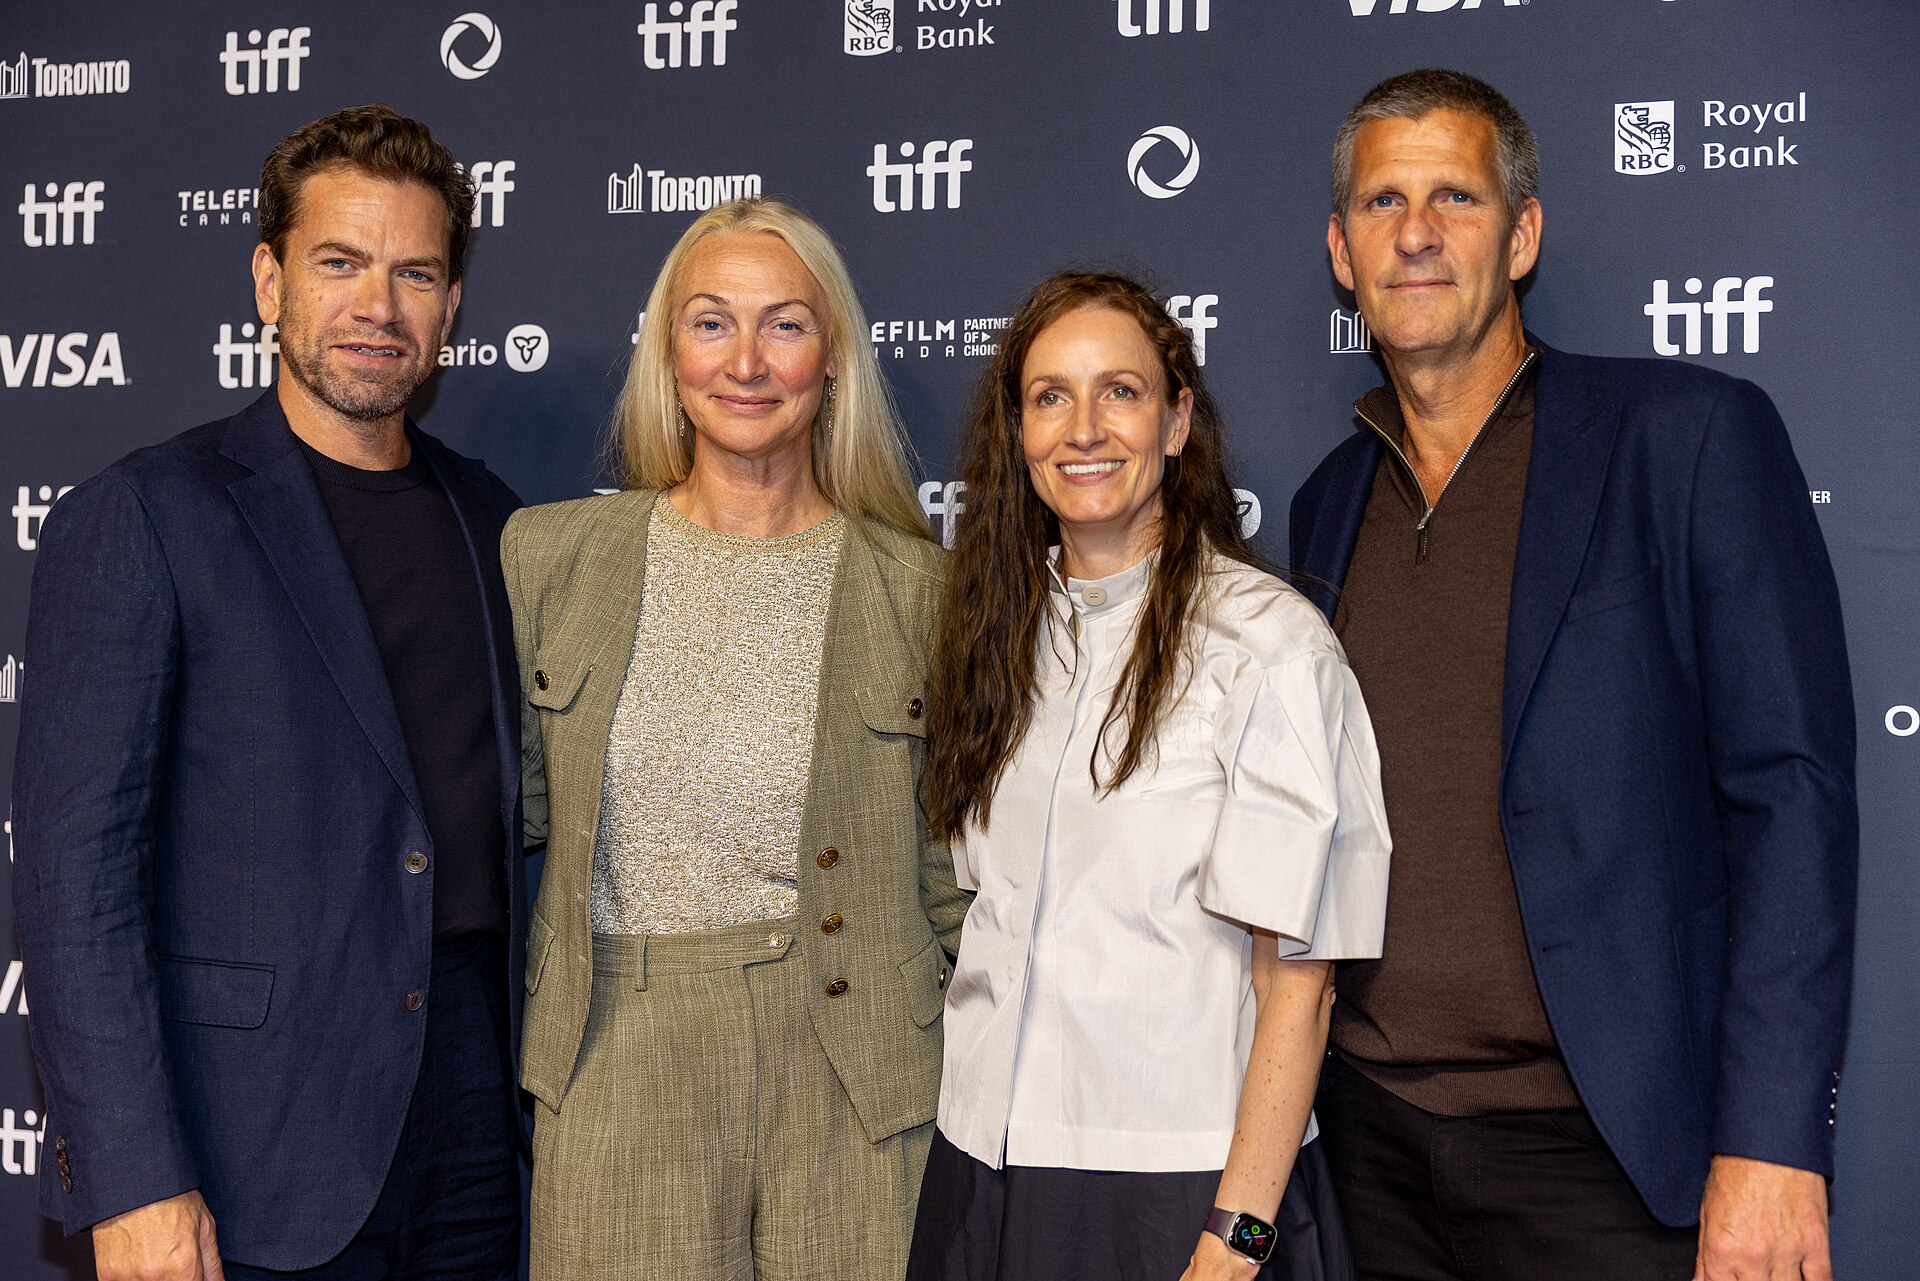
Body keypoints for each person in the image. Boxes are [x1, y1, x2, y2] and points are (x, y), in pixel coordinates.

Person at [1290, 69, 1856, 1281]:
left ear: (1524, 232)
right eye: (1384, 202)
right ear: (1343, 252)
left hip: (1608, 1158)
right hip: (1370, 1151)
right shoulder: (1329, 505)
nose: (1419, 232)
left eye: (1456, 195)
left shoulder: (1689, 437)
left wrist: (1770, 1145)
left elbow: (1791, 798)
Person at [11, 104, 526, 1279]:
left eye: (414, 273)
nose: (376, 306)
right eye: (338, 263)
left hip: (475, 1121)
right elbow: (75, 880)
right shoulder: (145, 516)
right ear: (269, 281)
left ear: (450, 308)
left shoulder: (496, 520)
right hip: (253, 1141)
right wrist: (137, 1180)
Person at [506, 195, 967, 1280]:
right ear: (668, 355)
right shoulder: (551, 561)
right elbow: (496, 817)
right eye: (712, 322)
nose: (748, 360)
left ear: (835, 359)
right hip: (621, 1050)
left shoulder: (922, 591)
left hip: (859, 1066)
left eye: (786, 325)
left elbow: (957, 876)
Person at [907, 270, 1391, 1281]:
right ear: (1017, 432)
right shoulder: (993, 640)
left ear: (1177, 421)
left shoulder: (1271, 649)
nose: (1084, 429)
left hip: (1183, 1193)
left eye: (1120, 392)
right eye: (1051, 397)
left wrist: (1238, 1240)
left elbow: (1298, 993)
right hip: (978, 1173)